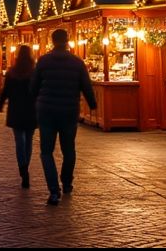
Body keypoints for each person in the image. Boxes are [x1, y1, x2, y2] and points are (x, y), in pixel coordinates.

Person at [31, 28, 97, 206]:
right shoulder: (77, 62)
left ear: (52, 41)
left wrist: (34, 104)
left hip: (47, 112)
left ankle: (54, 191)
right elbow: (86, 86)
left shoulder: (43, 61)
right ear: (67, 40)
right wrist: (93, 104)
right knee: (69, 150)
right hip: (69, 110)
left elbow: (34, 87)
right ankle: (66, 182)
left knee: (46, 152)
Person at [0, 44, 37, 189]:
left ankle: (23, 168)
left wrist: (0, 104)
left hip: (16, 110)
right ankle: (26, 166)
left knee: (19, 140)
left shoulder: (12, 72)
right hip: (31, 110)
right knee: (29, 141)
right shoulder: (34, 72)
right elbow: (39, 90)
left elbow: (5, 90)